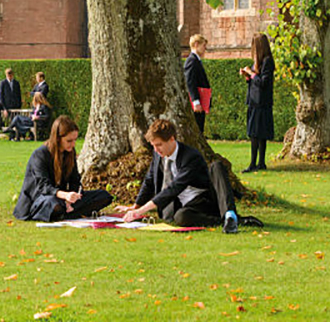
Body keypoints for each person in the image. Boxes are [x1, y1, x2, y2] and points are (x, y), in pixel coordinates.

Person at [117, 119, 263, 233]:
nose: (156, 150)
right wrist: (135, 206)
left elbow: (174, 188)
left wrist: (141, 212)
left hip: (206, 200)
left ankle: (230, 215)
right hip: (187, 207)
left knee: (216, 166)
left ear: (172, 139)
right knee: (181, 217)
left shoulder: (190, 156)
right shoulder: (158, 154)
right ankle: (225, 221)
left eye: (159, 145)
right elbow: (149, 180)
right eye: (153, 146)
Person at [14, 116, 113, 221]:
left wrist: (72, 198)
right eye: (69, 141)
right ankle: (67, 212)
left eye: (75, 140)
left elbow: (75, 180)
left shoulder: (70, 153)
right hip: (42, 198)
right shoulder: (40, 155)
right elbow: (43, 186)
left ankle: (65, 212)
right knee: (53, 203)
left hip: (63, 199)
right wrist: (64, 195)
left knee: (103, 195)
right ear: (57, 138)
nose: (73, 144)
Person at [240, 33, 276, 172]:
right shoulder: (258, 61)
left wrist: (252, 74)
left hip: (262, 103)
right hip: (254, 102)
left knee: (257, 134)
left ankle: (256, 163)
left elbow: (263, 82)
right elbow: (255, 82)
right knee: (255, 133)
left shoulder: (267, 61)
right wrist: (248, 76)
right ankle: (258, 163)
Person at [184, 34, 211, 134]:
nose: (205, 49)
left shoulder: (196, 61)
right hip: (197, 103)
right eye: (203, 46)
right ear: (196, 44)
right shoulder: (192, 61)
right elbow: (190, 82)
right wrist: (196, 102)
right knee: (197, 128)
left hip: (201, 101)